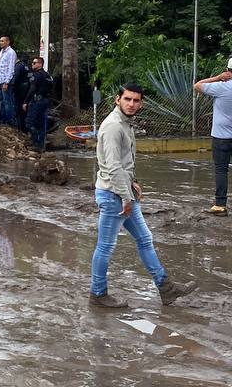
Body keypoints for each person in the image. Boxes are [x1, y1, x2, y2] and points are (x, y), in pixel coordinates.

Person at [89, 82, 194, 310]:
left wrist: (133, 182)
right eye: (127, 99)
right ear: (118, 99)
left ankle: (166, 288)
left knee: (145, 239)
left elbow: (124, 163)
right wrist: (126, 198)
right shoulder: (113, 126)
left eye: (136, 100)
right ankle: (98, 294)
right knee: (105, 246)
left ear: (141, 103)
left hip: (122, 192)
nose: (131, 104)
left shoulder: (126, 123)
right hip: (113, 195)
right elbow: (113, 167)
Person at [194, 58, 232, 215]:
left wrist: (218, 77)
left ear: (228, 70)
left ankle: (220, 205)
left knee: (221, 170)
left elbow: (197, 85)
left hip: (222, 136)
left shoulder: (221, 87)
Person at [23, 57, 54, 152]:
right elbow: (51, 87)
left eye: (34, 63)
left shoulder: (36, 75)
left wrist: (25, 101)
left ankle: (36, 143)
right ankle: (41, 146)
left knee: (29, 123)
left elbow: (32, 89)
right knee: (42, 124)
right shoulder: (48, 75)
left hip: (37, 100)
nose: (32, 65)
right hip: (45, 100)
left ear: (40, 64)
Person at [0, 36, 17, 126]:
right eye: (0, 41)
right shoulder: (1, 52)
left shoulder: (11, 52)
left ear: (8, 42)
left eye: (3, 41)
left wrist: (6, 82)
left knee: (7, 102)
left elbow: (11, 68)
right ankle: (3, 120)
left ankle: (9, 121)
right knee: (1, 101)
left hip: (5, 82)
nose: (1, 43)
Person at [13, 54, 30, 131]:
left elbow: (16, 77)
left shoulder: (19, 66)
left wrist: (13, 86)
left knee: (18, 108)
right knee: (24, 109)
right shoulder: (28, 67)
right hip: (26, 90)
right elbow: (30, 77)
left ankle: (19, 127)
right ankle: (24, 127)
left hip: (19, 89)